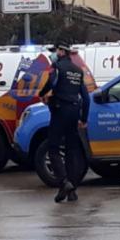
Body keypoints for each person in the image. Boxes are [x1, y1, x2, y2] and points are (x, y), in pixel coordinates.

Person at [39, 39, 90, 203]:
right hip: (74, 111)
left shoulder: (57, 67)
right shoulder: (78, 70)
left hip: (60, 109)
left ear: (62, 51)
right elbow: (86, 97)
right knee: (72, 151)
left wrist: (42, 93)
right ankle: (71, 190)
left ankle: (64, 181)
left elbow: (51, 83)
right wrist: (84, 118)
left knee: (53, 148)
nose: (53, 54)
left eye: (55, 51)